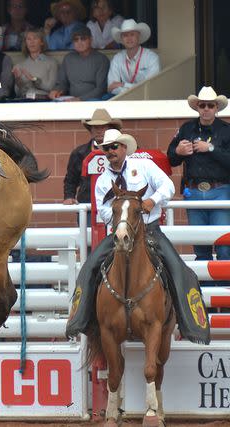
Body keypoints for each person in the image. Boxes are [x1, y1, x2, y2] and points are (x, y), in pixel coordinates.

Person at [66, 129, 210, 344]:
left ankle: (190, 324)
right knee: (89, 268)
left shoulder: (143, 166)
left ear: (124, 148)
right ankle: (82, 322)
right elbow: (103, 212)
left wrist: (152, 201)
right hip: (120, 232)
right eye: (106, 148)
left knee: (181, 270)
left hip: (150, 230)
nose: (110, 151)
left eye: (114, 146)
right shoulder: (104, 180)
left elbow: (167, 186)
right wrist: (123, 211)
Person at [167, 86, 230, 268]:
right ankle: (203, 291)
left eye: (210, 105)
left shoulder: (226, 130)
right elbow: (171, 159)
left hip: (221, 191)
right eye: (202, 105)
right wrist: (178, 151)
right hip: (193, 192)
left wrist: (210, 149)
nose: (206, 109)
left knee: (224, 246)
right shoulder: (186, 129)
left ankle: (225, 292)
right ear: (197, 107)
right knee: (200, 247)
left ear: (217, 108)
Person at [63, 109, 122, 209]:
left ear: (110, 128)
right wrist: (69, 196)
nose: (99, 131)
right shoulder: (78, 153)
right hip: (87, 204)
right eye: (95, 127)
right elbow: (70, 180)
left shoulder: (124, 149)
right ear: (90, 129)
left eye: (102, 127)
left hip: (118, 204)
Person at [49, 24, 109, 101]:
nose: (79, 42)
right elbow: (62, 83)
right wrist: (56, 90)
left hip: (93, 100)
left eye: (83, 39)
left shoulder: (101, 59)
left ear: (91, 39)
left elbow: (101, 89)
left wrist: (80, 99)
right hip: (71, 100)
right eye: (76, 39)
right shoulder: (68, 58)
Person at [107, 19, 161, 96]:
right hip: (123, 101)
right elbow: (111, 87)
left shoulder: (152, 58)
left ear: (138, 36)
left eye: (132, 34)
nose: (129, 38)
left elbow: (150, 86)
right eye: (125, 35)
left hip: (147, 101)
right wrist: (129, 91)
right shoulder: (117, 59)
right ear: (121, 39)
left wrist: (123, 85)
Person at [12, 28, 58, 100]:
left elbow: (51, 88)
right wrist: (18, 80)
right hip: (24, 101)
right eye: (28, 39)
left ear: (42, 42)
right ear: (26, 43)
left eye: (35, 38)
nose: (31, 42)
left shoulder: (51, 62)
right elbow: (18, 92)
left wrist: (33, 79)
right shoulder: (20, 65)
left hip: (43, 101)